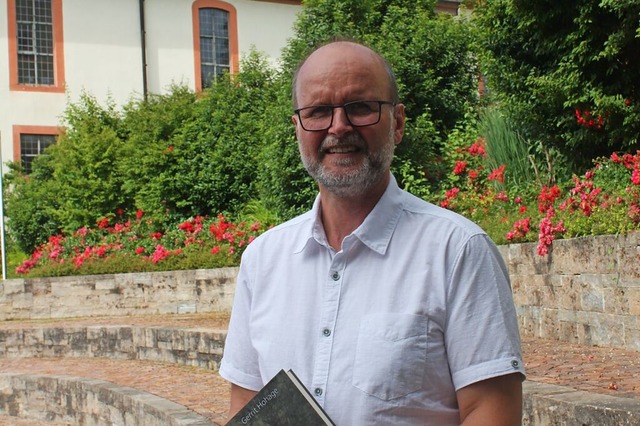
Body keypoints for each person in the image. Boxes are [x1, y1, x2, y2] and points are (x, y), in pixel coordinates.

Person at [219, 39, 525, 425]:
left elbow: (491, 413)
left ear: (397, 123)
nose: (339, 127)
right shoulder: (263, 260)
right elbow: (247, 406)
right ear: (298, 127)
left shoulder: (458, 251)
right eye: (318, 112)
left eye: (360, 107)